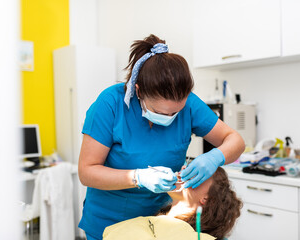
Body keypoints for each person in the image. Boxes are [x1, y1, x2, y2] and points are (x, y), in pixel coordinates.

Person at [78, 34, 245, 240]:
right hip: (109, 222)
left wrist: (214, 157)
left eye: (177, 112)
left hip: (159, 220)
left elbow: (235, 140)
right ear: (138, 91)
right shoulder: (110, 104)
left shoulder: (190, 105)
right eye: (163, 112)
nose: (172, 118)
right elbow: (87, 172)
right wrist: (137, 178)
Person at [102, 167, 243, 240]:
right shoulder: (151, 222)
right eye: (187, 166)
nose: (183, 169)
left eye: (196, 174)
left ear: (206, 198)